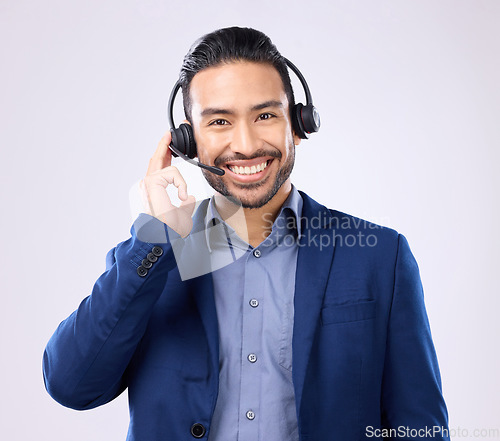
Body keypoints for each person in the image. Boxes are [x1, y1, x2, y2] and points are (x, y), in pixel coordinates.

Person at [43, 26, 450, 441]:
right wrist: (157, 240)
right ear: (188, 141)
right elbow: (72, 387)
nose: (247, 143)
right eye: (220, 121)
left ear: (298, 123)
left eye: (265, 115)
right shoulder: (151, 258)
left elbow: (420, 429)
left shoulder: (380, 257)